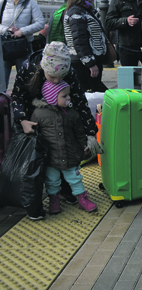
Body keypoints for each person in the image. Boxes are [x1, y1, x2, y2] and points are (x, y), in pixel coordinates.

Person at [11, 41, 100, 220]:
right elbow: (17, 96)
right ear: (44, 68)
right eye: (53, 77)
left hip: (62, 118)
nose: (58, 81)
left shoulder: (70, 73)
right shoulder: (28, 68)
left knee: (64, 153)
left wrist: (90, 133)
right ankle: (35, 203)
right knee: (37, 164)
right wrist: (22, 120)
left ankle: (67, 192)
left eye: (62, 77)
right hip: (33, 119)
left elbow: (80, 102)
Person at [30, 80, 98, 214]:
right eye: (64, 96)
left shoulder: (72, 113)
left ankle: (82, 198)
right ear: (51, 97)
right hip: (51, 157)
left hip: (70, 154)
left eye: (68, 95)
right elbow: (36, 135)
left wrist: (84, 145)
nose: (68, 98)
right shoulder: (39, 114)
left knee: (75, 178)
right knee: (52, 180)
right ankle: (54, 199)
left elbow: (79, 132)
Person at [0, 0, 45, 90]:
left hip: (23, 46)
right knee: (2, 82)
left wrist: (22, 31)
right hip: (5, 47)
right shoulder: (3, 3)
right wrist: (6, 30)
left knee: (25, 81)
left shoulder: (30, 3)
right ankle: (4, 104)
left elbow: (40, 23)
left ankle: (22, 103)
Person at [63, 0, 108, 92]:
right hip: (83, 63)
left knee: (95, 90)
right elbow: (79, 40)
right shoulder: (77, 12)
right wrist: (90, 63)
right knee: (91, 92)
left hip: (90, 60)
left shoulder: (85, 10)